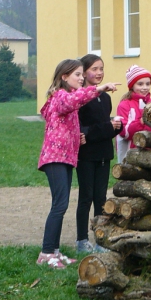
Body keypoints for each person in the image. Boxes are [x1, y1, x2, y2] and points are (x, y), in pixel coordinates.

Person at [37, 59, 119, 268]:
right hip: (55, 158)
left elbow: (68, 120)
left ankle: (55, 252)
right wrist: (98, 88)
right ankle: (46, 253)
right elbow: (75, 100)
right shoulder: (61, 96)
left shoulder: (68, 98)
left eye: (83, 74)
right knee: (60, 205)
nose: (81, 78)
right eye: (77, 75)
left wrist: (78, 137)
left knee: (61, 204)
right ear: (64, 77)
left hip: (65, 158)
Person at [75, 54, 123, 254]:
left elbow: (104, 129)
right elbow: (83, 131)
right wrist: (106, 128)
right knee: (86, 197)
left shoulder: (106, 98)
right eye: (94, 69)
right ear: (84, 72)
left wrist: (116, 127)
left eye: (101, 68)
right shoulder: (80, 98)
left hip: (103, 153)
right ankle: (81, 240)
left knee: (101, 198)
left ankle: (100, 239)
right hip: (86, 155)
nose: (99, 73)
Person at [116, 65, 151, 158]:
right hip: (132, 155)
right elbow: (124, 132)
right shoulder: (124, 105)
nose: (145, 87)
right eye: (140, 84)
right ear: (132, 86)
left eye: (148, 84)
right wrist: (141, 122)